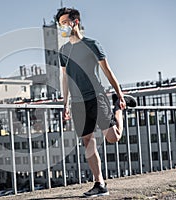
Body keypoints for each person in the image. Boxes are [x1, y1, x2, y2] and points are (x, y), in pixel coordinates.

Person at [56, 7, 137, 197]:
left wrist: (120, 94)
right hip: (77, 103)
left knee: (113, 137)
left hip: (96, 97)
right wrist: (65, 104)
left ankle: (118, 108)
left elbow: (108, 71)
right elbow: (65, 78)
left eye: (66, 22)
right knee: (88, 141)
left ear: (75, 22)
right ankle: (99, 183)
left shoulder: (92, 44)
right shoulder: (63, 50)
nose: (63, 27)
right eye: (60, 24)